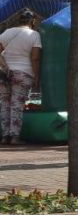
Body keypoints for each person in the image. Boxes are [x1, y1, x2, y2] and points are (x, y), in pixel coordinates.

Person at [0, 9, 41, 145]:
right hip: (23, 73)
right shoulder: (34, 35)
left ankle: (5, 136)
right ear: (33, 21)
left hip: (3, 73)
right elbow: (35, 58)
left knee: (4, 104)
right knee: (16, 105)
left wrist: (5, 65)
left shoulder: (7, 32)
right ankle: (15, 137)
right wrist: (36, 76)